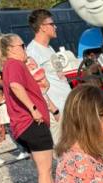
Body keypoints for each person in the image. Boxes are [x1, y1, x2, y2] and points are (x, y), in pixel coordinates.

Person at [0, 33, 59, 183]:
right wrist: (33, 109)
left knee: (45, 169)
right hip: (31, 123)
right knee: (45, 170)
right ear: (9, 50)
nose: (25, 49)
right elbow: (15, 86)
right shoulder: (13, 64)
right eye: (21, 46)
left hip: (25, 125)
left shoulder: (11, 66)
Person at [26, 9, 72, 143]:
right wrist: (54, 111)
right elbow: (36, 88)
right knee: (62, 150)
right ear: (43, 27)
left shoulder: (49, 48)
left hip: (67, 106)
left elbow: (59, 76)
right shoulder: (32, 52)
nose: (55, 26)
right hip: (56, 111)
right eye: (52, 24)